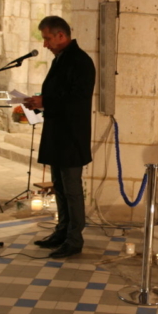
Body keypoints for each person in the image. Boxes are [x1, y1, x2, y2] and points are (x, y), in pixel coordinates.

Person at [24, 16, 95, 259]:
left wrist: (46, 102)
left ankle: (75, 239)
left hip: (71, 136)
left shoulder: (80, 61)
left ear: (61, 36)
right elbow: (59, 94)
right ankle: (62, 231)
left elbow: (78, 98)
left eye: (47, 38)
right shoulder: (61, 59)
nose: (44, 44)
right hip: (57, 133)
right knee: (60, 187)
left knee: (72, 189)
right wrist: (38, 102)